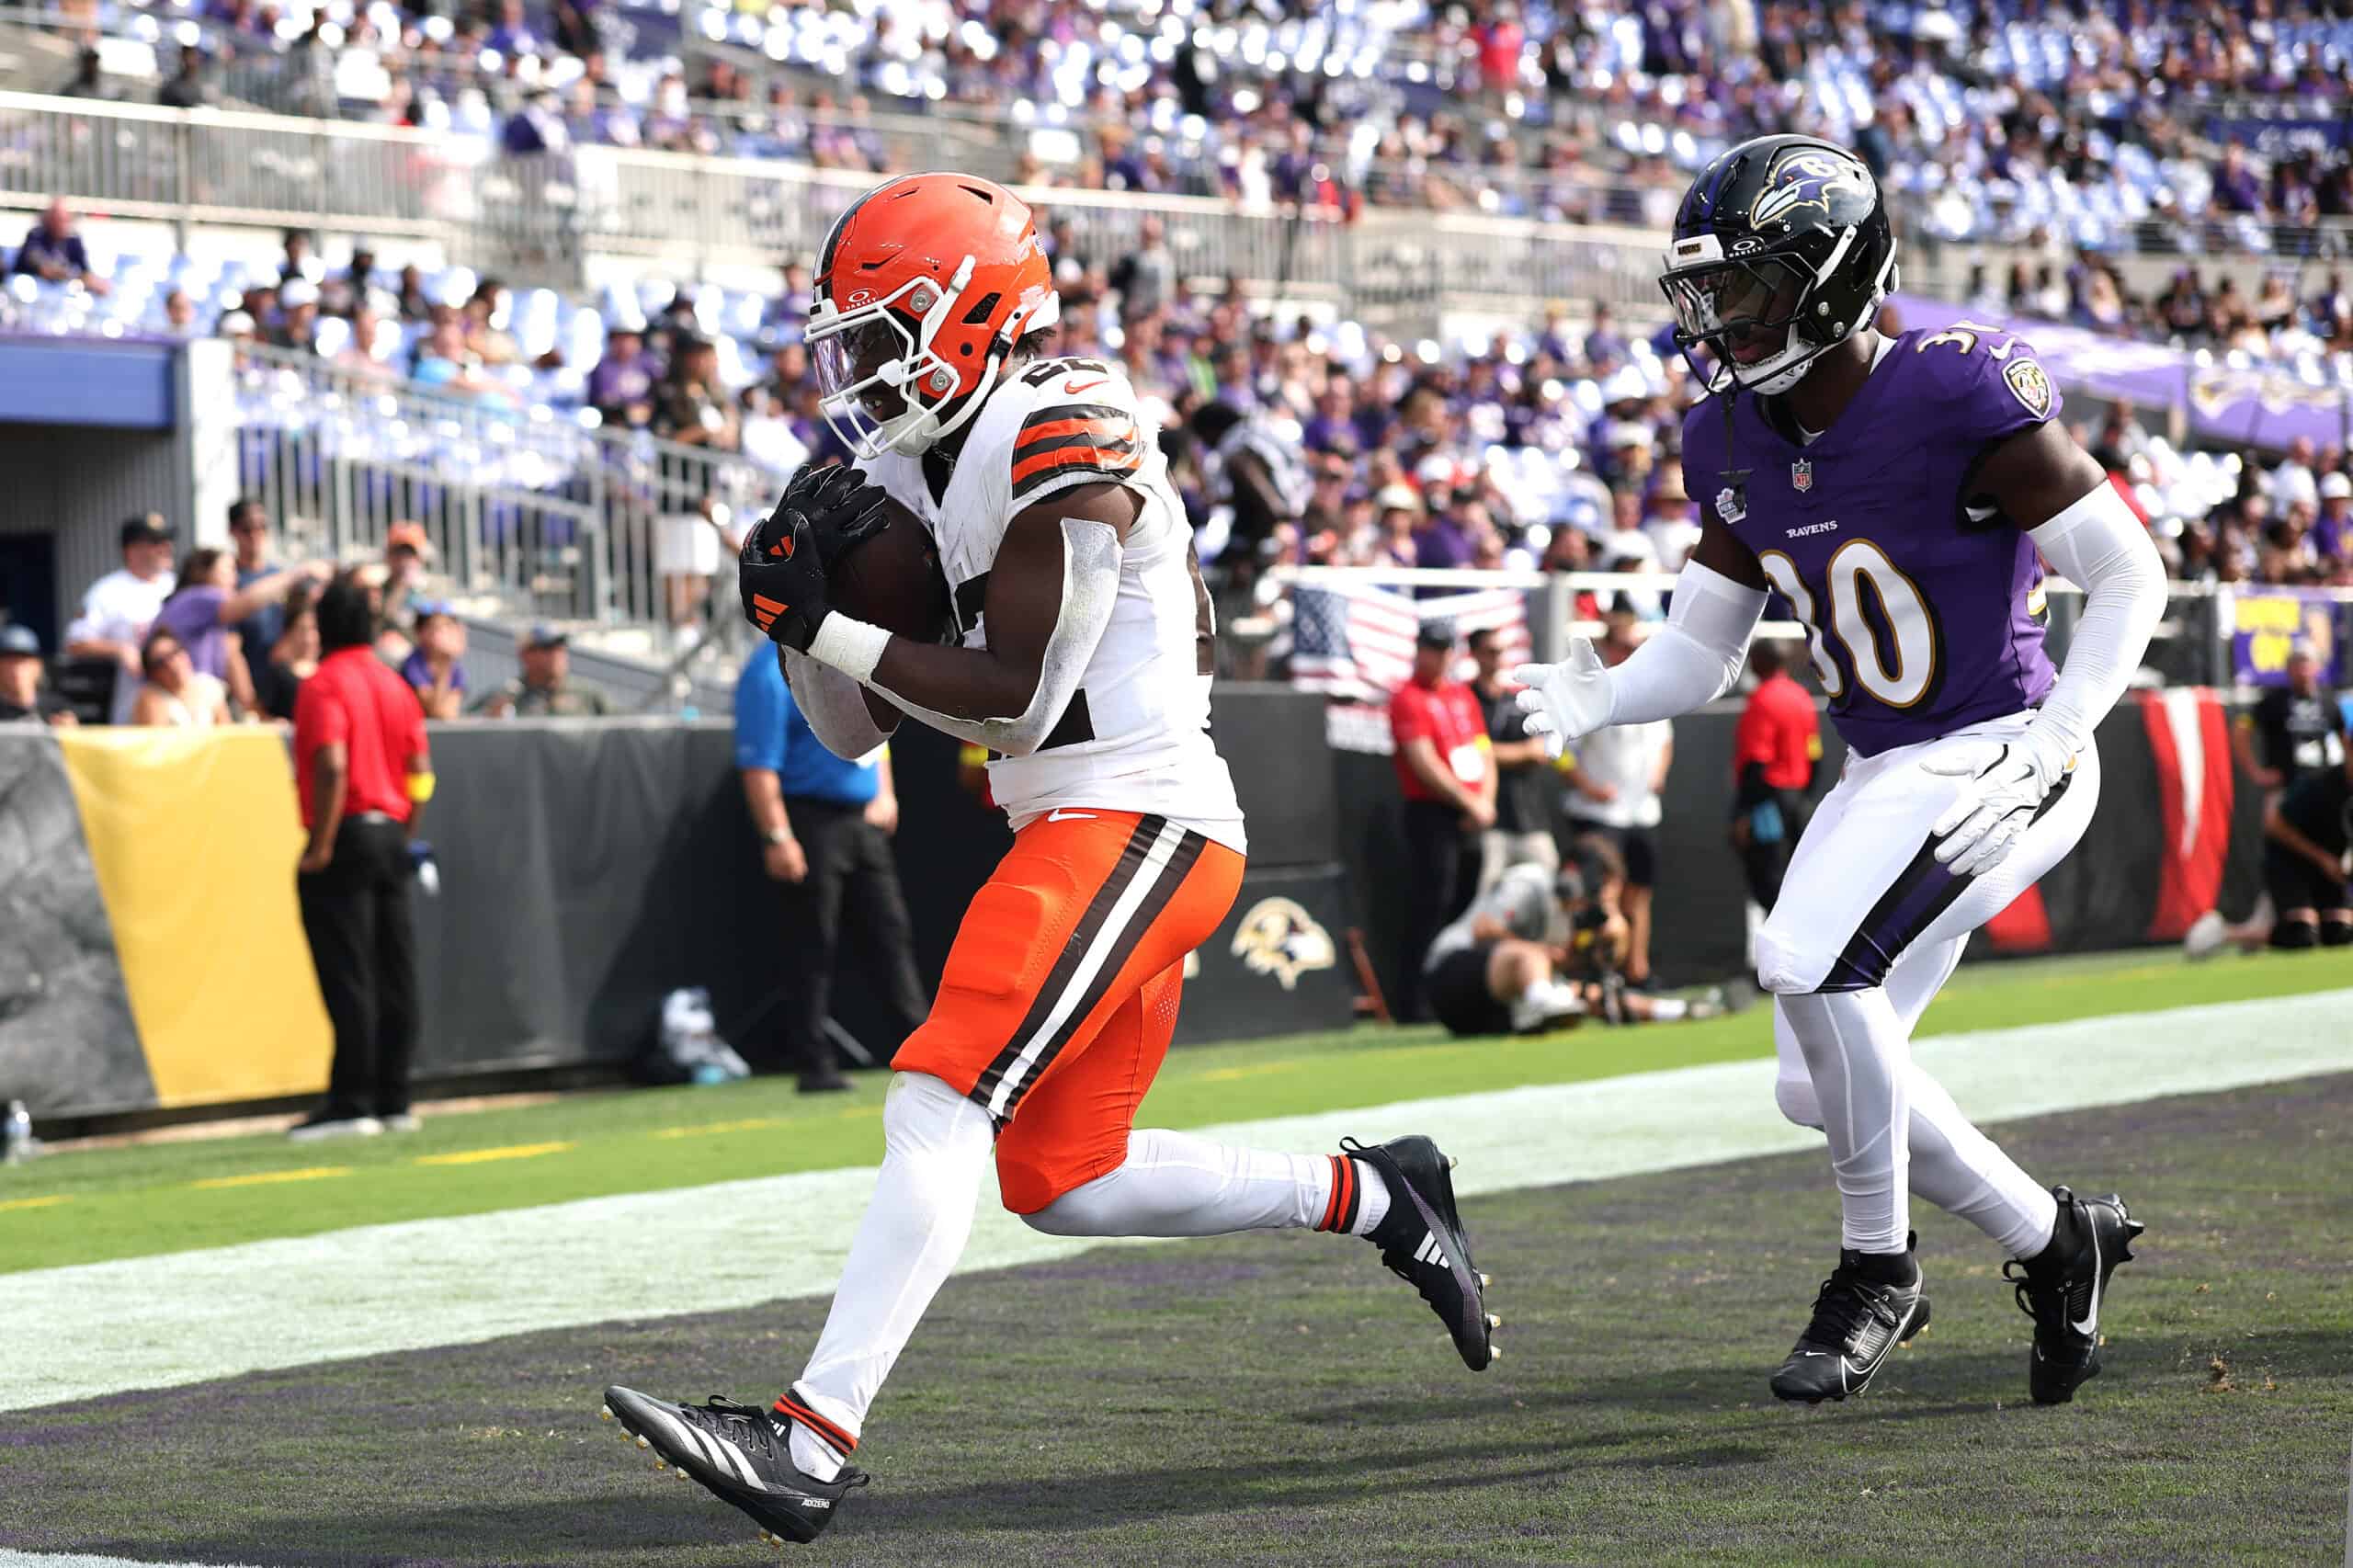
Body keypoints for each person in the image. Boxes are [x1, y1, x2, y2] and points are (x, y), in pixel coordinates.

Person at [602, 173, 1495, 1550]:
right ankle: (1378, 1191)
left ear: (966, 312)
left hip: (1141, 812)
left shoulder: (1065, 420)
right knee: (1067, 1179)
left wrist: (834, 630)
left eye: (882, 328)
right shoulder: (911, 461)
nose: (859, 364)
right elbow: (850, 728)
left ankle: (807, 1437)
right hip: (1075, 820)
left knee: (941, 1083)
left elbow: (1016, 696)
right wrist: (795, 612)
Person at [1514, 135, 2164, 1408]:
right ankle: (2054, 1235)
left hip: (2001, 747)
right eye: (1709, 294)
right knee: (1811, 1081)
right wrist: (1604, 693)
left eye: (1748, 289)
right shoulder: (1730, 438)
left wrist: (2062, 732)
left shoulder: (1952, 388)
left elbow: (2129, 571)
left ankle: (1877, 1267)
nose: (1722, 321)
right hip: (1884, 766)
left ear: (1831, 274)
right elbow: (1702, 650)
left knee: (1814, 960)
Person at [734, 639, 926, 1093]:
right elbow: (759, 764)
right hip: (810, 821)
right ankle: (813, 1062)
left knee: (890, 935)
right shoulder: (768, 672)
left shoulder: (844, 655)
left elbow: (876, 736)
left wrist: (885, 792)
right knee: (813, 945)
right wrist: (778, 836)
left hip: (862, 823)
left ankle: (921, 1051)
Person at [288, 574, 433, 1142]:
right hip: (391, 833)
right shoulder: (394, 684)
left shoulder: (323, 683)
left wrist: (321, 844)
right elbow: (422, 774)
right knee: (394, 970)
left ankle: (353, 1101)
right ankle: (394, 1096)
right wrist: (405, 832)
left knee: (349, 973)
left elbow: (331, 765)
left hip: (344, 834)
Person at [1556, 595, 1671, 986]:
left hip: (1642, 810)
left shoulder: (1653, 683)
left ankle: (1636, 968)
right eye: (1623, 645)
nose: (1629, 652)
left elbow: (1664, 738)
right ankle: (1594, 971)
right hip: (1600, 814)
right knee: (1597, 895)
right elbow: (1561, 753)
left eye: (1634, 645)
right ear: (1608, 645)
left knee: (1640, 892)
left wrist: (1659, 773)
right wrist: (1588, 788)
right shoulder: (1585, 687)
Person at [1388, 621, 1495, 1018]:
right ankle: (1414, 1002)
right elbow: (1423, 762)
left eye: (1447, 649)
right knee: (1430, 907)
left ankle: (1457, 990)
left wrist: (1484, 801)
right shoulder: (1408, 697)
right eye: (1434, 648)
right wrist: (1471, 802)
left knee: (1465, 906)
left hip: (1471, 814)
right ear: (1420, 649)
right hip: (1431, 813)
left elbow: (1483, 751)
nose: (1441, 656)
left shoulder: (1462, 695)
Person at [154, 547, 325, 716]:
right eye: (228, 570)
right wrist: (298, 574)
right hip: (181, 703)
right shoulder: (199, 597)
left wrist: (253, 708)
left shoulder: (204, 613)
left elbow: (231, 657)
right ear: (204, 573)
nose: (235, 579)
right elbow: (246, 602)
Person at [1730, 639, 1823, 918]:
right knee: (1796, 876)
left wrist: (1742, 813)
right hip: (1797, 800)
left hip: (1767, 802)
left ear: (1759, 662)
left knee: (1767, 878)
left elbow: (1756, 762)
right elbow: (1815, 755)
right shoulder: (1802, 698)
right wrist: (1805, 798)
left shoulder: (1762, 701)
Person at [1467, 626, 1557, 892]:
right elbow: (1473, 751)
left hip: (1531, 816)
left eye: (1501, 651)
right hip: (1490, 819)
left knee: (1547, 889)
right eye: (1490, 651)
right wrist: (1522, 752)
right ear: (1475, 654)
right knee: (1486, 894)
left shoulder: (1518, 699)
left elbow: (1543, 749)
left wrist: (1502, 753)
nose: (1497, 658)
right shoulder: (1465, 699)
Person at [64, 517, 176, 724]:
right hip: (132, 706)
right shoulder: (107, 591)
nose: (166, 547)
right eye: (155, 543)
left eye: (166, 541)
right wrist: (120, 649)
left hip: (181, 708)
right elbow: (75, 642)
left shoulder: (176, 586)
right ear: (131, 550)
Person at [2234, 646, 2345, 805]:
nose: (2302, 670)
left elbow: (2345, 739)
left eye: (2307, 664)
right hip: (2284, 787)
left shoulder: (2329, 701)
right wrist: (2256, 772)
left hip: (2322, 785)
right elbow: (2241, 729)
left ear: (2317, 667)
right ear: (2288, 669)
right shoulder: (2273, 701)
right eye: (2297, 664)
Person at [471, 625, 616, 717]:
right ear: (525, 654)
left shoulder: (587, 694)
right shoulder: (507, 695)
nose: (556, 654)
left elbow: (625, 725)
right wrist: (492, 718)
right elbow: (466, 725)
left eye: (560, 647)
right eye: (547, 648)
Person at [128, 629, 231, 728]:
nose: (173, 663)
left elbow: (226, 735)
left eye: (176, 652)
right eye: (161, 662)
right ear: (152, 674)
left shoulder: (208, 686)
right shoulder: (150, 697)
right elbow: (157, 741)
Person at [12, 199, 109, 295]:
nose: (61, 224)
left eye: (64, 220)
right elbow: (30, 264)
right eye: (56, 219)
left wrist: (95, 282)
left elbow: (84, 270)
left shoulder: (73, 242)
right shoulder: (36, 237)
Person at [251, 587, 319, 722]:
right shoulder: (278, 673)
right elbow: (258, 710)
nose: (308, 638)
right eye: (301, 630)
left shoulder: (328, 670)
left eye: (313, 629)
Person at [401, 603, 470, 719]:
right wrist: (444, 668)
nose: (443, 632)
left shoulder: (456, 669)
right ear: (420, 632)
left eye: (448, 626)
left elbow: (449, 713)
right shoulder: (413, 665)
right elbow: (435, 712)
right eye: (434, 627)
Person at [0, 625, 75, 726]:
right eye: (9, 662)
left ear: (38, 666)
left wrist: (69, 733)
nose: (16, 669)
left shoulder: (57, 709)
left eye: (23, 661)